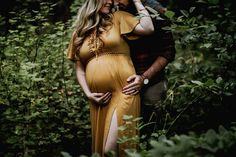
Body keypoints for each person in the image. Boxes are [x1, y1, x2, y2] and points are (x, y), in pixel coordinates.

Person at [66, 0, 154, 156]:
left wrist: (137, 1)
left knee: (110, 150)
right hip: (100, 100)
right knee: (101, 152)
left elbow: (148, 28)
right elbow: (80, 70)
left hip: (124, 90)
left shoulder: (118, 18)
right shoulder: (79, 33)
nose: (110, 1)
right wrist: (88, 94)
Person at [114, 0, 176, 139]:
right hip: (125, 82)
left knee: (153, 126)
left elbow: (167, 52)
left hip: (152, 81)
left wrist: (143, 78)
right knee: (126, 130)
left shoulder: (156, 10)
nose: (116, 1)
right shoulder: (115, 11)